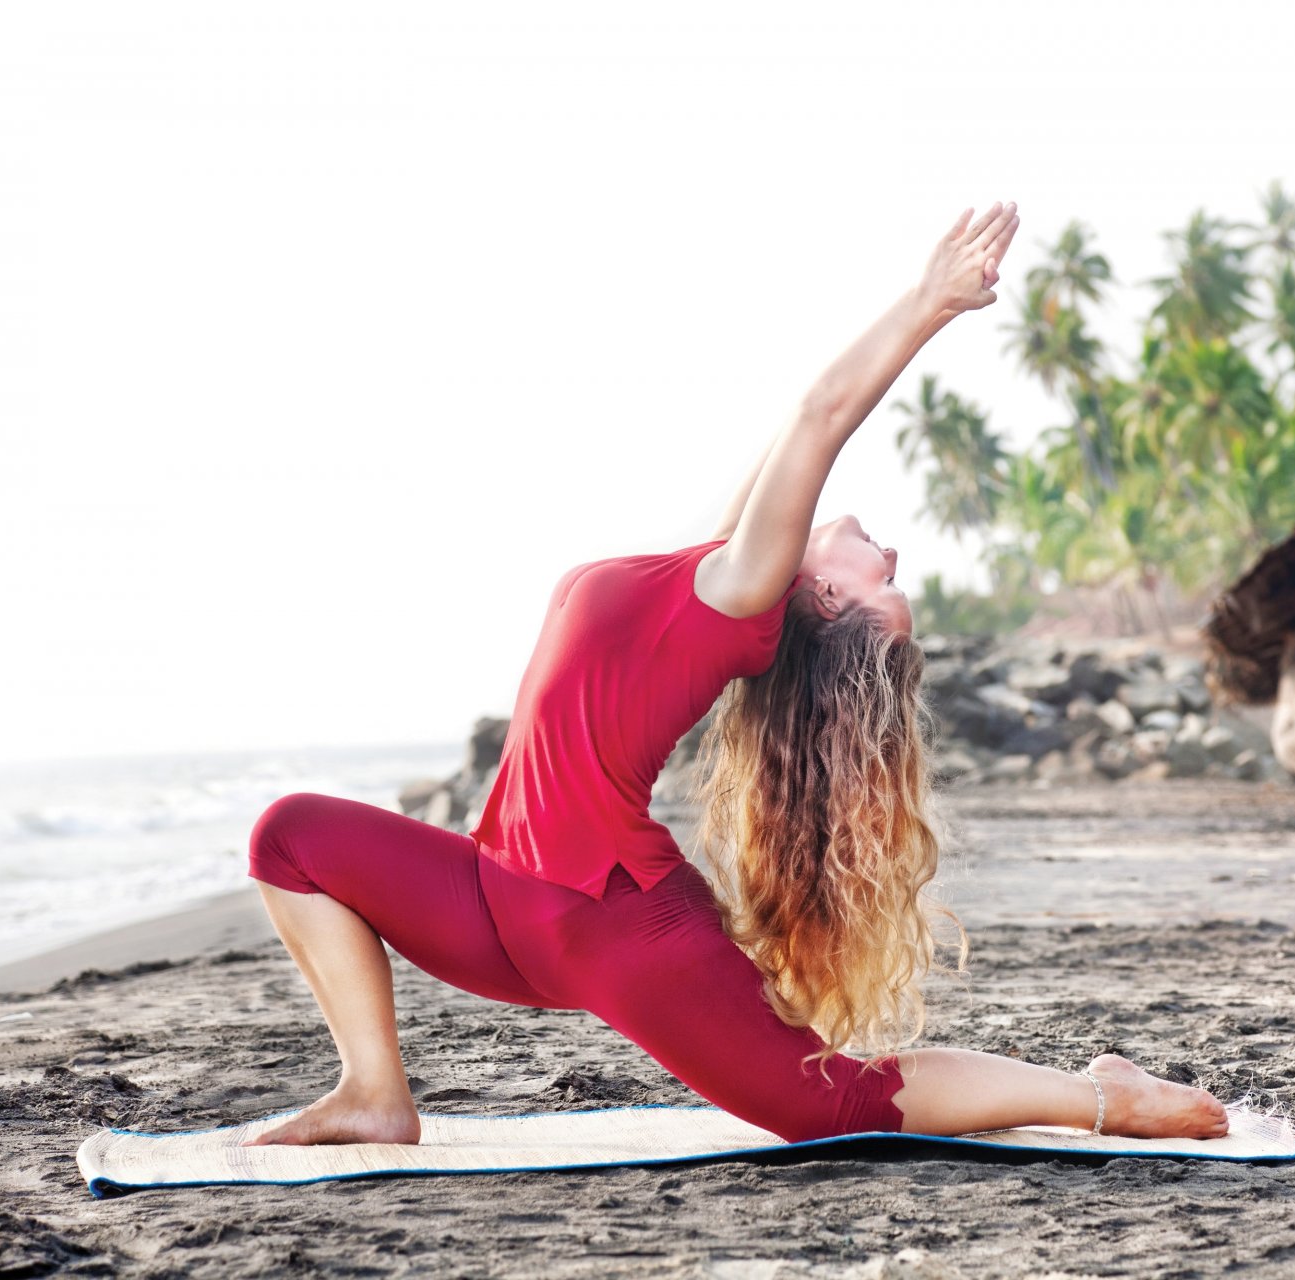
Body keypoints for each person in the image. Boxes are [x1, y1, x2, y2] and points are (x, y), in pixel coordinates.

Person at [242, 201, 1230, 1148]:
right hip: (495, 894)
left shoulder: (744, 595)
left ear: (827, 601)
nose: (889, 557)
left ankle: (1103, 1095)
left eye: (886, 580)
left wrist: (932, 301)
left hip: (607, 919)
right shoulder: (723, 566)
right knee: (290, 836)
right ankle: (374, 1091)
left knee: (830, 1101)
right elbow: (784, 451)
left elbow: (821, 415)